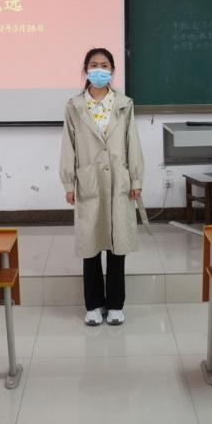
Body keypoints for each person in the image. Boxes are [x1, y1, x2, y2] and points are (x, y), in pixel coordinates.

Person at [59, 47, 144, 326]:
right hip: (90, 181)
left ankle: (116, 305)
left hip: (119, 181)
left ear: (112, 70)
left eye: (104, 65)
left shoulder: (124, 104)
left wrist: (136, 179)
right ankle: (94, 305)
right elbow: (68, 146)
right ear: (86, 70)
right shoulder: (74, 106)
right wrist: (69, 183)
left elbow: (132, 142)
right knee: (90, 245)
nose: (99, 69)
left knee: (117, 244)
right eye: (93, 65)